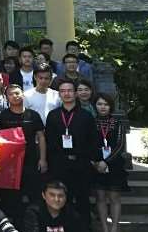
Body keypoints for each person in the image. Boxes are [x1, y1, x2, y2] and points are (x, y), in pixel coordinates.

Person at [45, 79, 98, 229]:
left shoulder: (86, 116)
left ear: (75, 94)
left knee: (82, 199)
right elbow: (49, 141)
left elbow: (92, 140)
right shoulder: (53, 115)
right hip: (59, 164)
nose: (66, 94)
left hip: (81, 164)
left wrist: (89, 158)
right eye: (63, 91)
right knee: (60, 200)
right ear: (59, 94)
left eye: (69, 91)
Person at [0, 84, 48, 226]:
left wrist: (43, 159)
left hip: (31, 161)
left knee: (34, 195)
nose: (15, 96)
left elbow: (41, 137)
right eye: (11, 94)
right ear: (6, 98)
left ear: (23, 95)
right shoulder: (2, 116)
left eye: (17, 93)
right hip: (10, 164)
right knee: (11, 198)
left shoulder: (33, 115)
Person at [92, 93, 129, 232]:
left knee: (114, 197)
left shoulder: (117, 123)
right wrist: (95, 162)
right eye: (100, 104)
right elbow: (87, 143)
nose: (103, 107)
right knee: (100, 197)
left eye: (106, 104)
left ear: (110, 106)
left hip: (114, 164)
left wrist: (106, 162)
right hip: (96, 165)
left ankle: (114, 228)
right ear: (95, 106)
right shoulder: (91, 122)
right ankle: (104, 227)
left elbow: (120, 145)